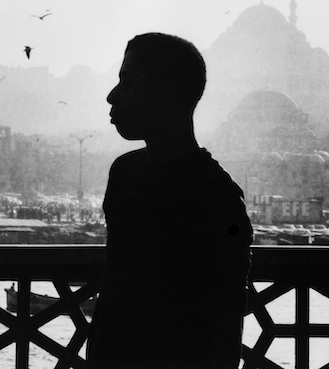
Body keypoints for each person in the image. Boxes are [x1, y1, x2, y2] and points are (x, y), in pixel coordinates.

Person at [86, 33, 253, 369]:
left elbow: (223, 323)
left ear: (165, 93)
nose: (111, 96)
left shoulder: (212, 195)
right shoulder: (129, 173)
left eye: (127, 83)